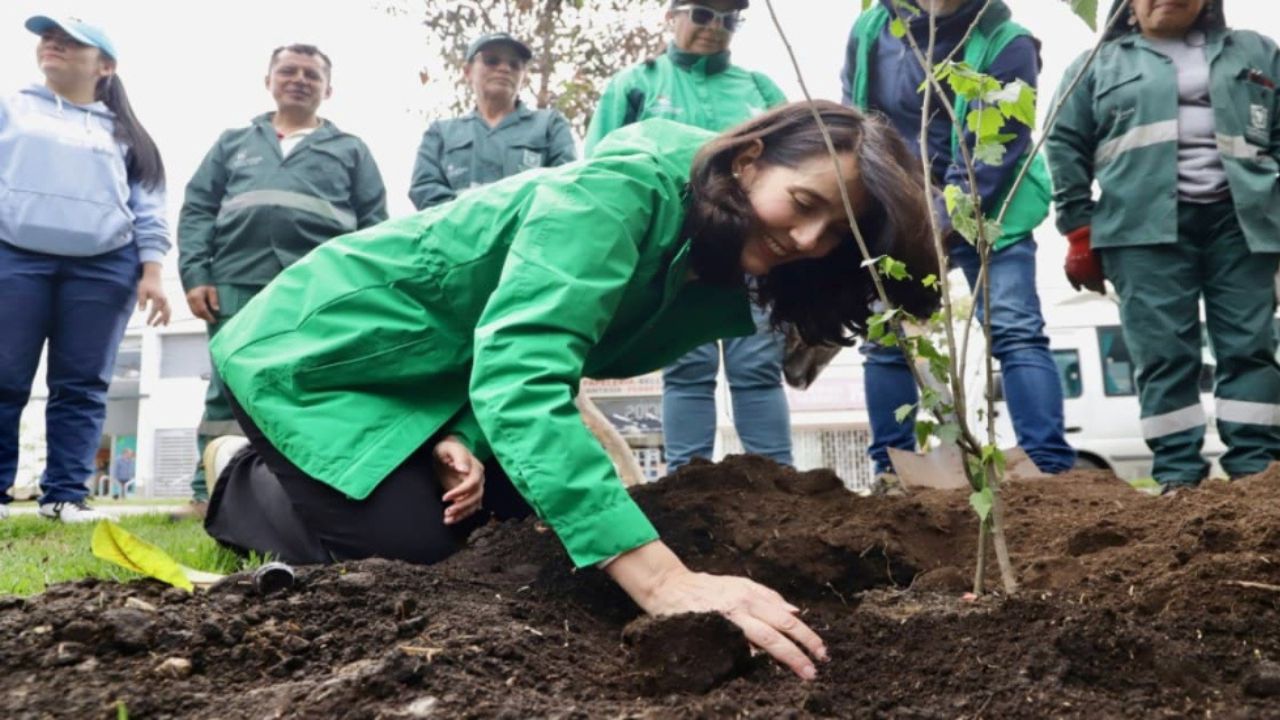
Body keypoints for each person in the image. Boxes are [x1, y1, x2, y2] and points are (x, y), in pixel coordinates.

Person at [203, 102, 938, 679]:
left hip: (433, 385)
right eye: (805, 202)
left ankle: (389, 460)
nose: (810, 241)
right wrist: (665, 585)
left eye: (835, 234)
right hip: (321, 356)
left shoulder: (704, 259)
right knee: (414, 551)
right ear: (749, 161)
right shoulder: (619, 194)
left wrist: (467, 433)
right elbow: (522, 368)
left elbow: (532, 349)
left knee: (524, 534)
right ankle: (241, 474)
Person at [1046, 0, 1280, 492]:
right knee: (1162, 354)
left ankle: (1257, 475)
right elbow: (1064, 143)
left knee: (1249, 348)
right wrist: (1079, 230)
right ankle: (1177, 478)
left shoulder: (1257, 52)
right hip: (1140, 230)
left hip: (1242, 225)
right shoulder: (1095, 66)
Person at [841, 0, 1076, 484]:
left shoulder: (1006, 41)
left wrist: (942, 220)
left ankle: (1047, 467)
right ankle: (893, 469)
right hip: (898, 208)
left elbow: (993, 150)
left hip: (989, 207)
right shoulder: (871, 30)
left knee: (1015, 329)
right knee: (887, 338)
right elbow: (850, 121)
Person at [175, 43, 388, 519]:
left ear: (327, 88)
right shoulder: (233, 142)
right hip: (236, 281)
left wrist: (363, 290)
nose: (299, 79)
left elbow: (375, 224)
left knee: (309, 380)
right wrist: (195, 273)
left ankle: (305, 489)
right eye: (288, 71)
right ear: (268, 80)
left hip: (318, 287)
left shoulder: (350, 149)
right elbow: (198, 210)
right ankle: (207, 491)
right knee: (226, 387)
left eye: (311, 74)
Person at [584, 0, 795, 472]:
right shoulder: (637, 84)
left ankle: (781, 481)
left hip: (754, 253)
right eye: (703, 14)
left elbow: (796, 161)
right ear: (672, 16)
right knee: (686, 369)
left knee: (758, 369)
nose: (715, 27)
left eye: (729, 18)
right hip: (675, 255)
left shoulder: (758, 88)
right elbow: (597, 171)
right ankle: (687, 484)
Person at [0, 16, 171, 523]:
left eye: (71, 40)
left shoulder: (127, 134)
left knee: (82, 384)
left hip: (104, 265)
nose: (52, 43)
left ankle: (65, 496)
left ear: (106, 65)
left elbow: (150, 207)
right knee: (4, 378)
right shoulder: (11, 109)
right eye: (47, 37)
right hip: (14, 255)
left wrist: (153, 273)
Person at [409, 32, 575, 210]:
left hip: (527, 234)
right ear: (467, 72)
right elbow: (425, 191)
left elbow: (564, 187)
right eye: (492, 61)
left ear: (523, 76)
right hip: (456, 235)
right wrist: (472, 222)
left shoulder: (549, 126)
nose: (504, 68)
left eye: (515, 64)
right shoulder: (440, 134)